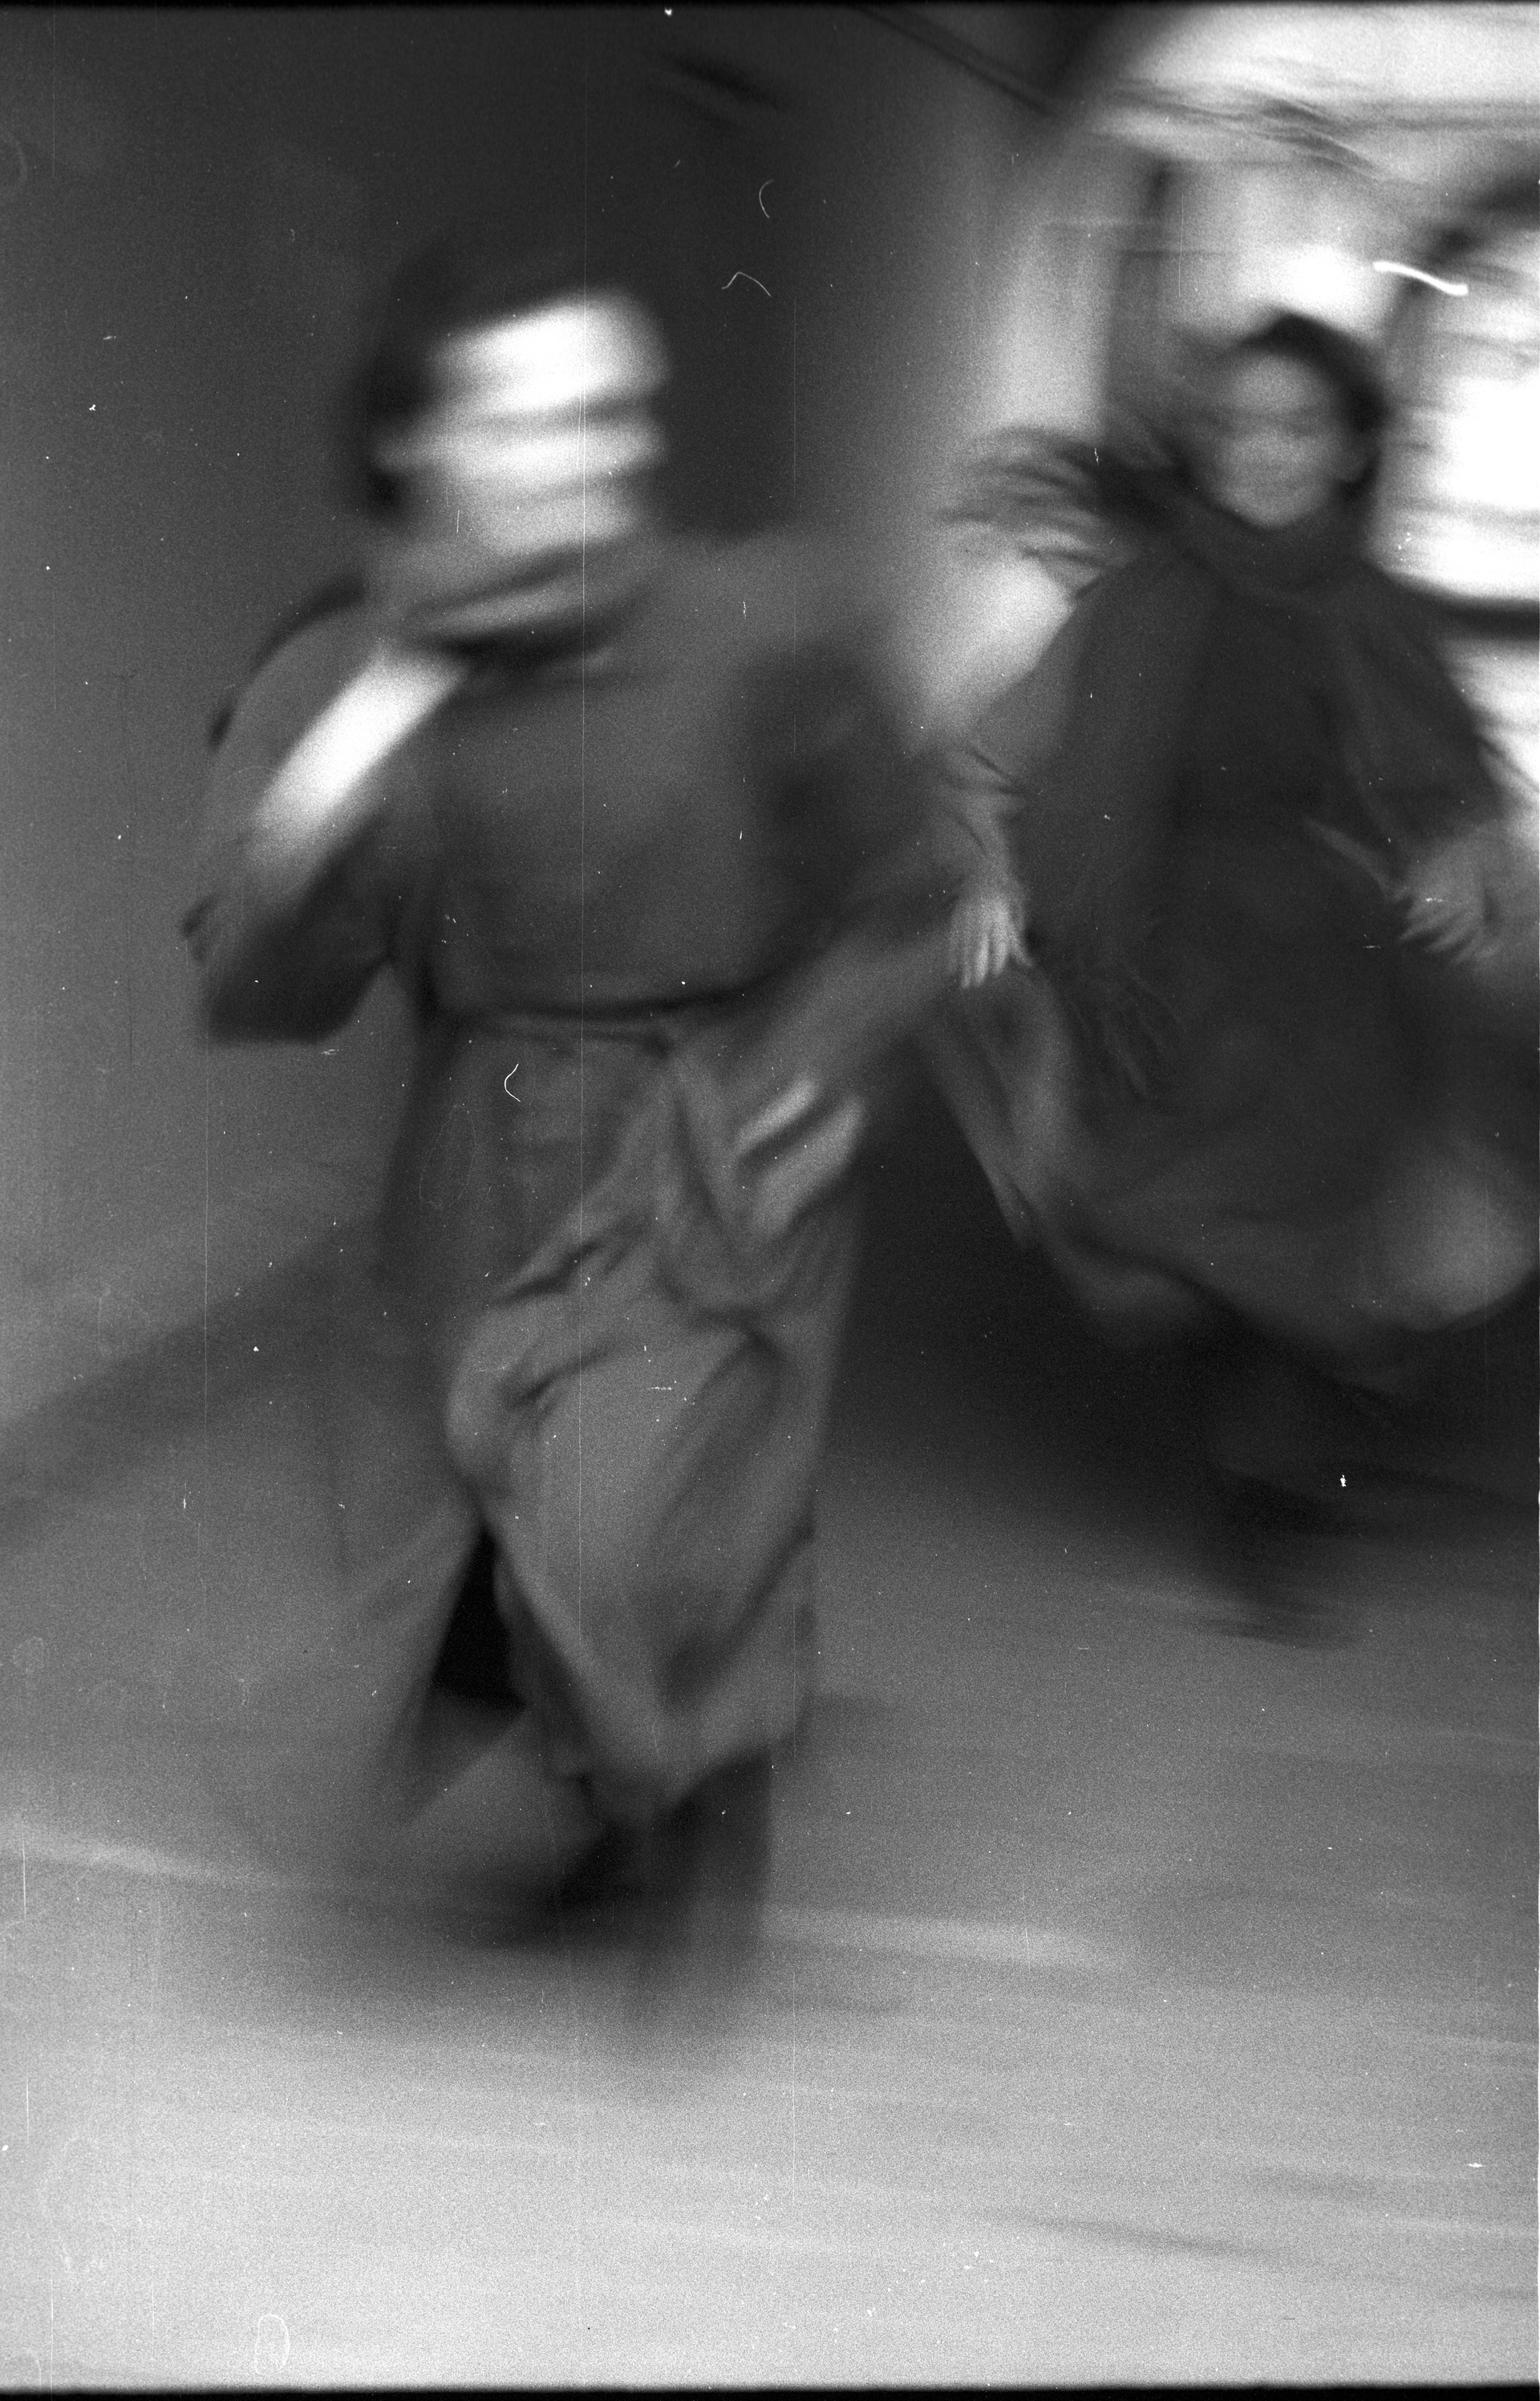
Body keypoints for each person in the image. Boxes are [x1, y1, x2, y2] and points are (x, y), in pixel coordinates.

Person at [184, 232, 950, 1989]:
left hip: (719, 1122)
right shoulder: (341, 673)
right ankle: (633, 1804)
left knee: (635, 1501)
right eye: (530, 420)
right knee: (488, 1508)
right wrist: (348, 763)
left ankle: (703, 1786)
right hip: (484, 1132)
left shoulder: (767, 624)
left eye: (612, 412)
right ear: (419, 442)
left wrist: (819, 1075)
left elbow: (907, 896)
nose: (595, 455)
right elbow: (266, 988)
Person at [926, 310, 1537, 1639]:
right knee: (1165, 1220)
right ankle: (1293, 1446)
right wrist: (994, 873)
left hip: (1322, 977)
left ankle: (1269, 1507)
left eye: (1299, 426)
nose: (1264, 452)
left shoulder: (1375, 617)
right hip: (1147, 966)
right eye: (1239, 425)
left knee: (1298, 1226)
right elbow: (988, 756)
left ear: (1354, 448)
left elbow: (1454, 794)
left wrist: (1455, 857)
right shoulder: (1134, 605)